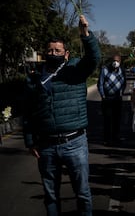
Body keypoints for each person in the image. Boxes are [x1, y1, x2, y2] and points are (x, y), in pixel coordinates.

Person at [22, 15, 101, 216]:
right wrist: (30, 141)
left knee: (82, 193)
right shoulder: (35, 78)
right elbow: (28, 110)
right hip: (46, 146)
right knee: (51, 195)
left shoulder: (75, 70)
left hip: (75, 143)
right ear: (44, 53)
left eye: (58, 50)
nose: (53, 53)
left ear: (66, 54)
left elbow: (94, 58)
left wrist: (85, 34)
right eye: (50, 50)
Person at [97, 54, 126, 146]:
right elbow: (100, 84)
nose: (115, 62)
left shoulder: (122, 70)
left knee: (117, 119)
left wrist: (122, 92)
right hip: (107, 98)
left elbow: (124, 82)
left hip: (117, 98)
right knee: (107, 119)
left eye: (117, 61)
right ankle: (107, 139)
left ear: (120, 62)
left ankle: (116, 137)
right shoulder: (105, 70)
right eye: (114, 60)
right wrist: (103, 95)